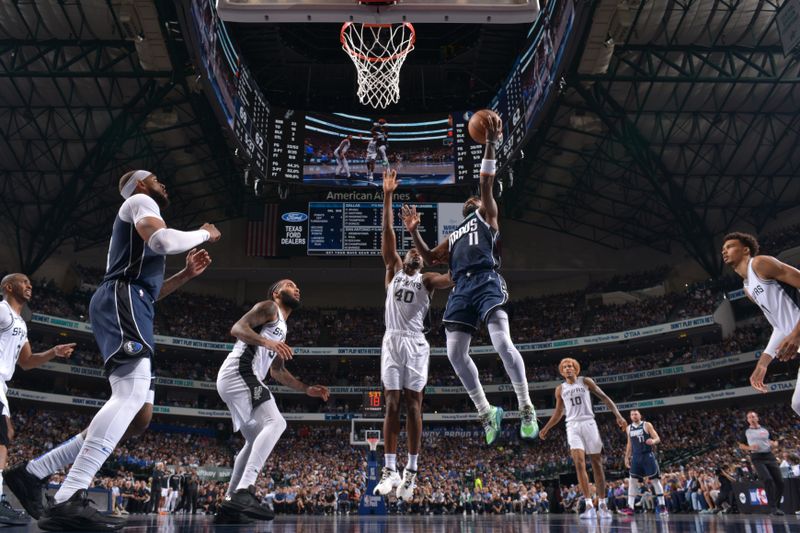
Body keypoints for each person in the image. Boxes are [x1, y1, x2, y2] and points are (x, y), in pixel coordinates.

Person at [26, 170, 221, 531]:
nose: (164, 183)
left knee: (138, 417)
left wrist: (185, 277)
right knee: (129, 395)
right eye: (157, 178)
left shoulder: (138, 226)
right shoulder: (139, 201)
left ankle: (34, 472)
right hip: (122, 299)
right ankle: (69, 495)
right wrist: (205, 232)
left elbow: (151, 291)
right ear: (141, 185)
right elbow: (162, 242)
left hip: (135, 301)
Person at [402, 114, 538, 444]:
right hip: (461, 288)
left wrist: (490, 143)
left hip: (486, 280)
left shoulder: (487, 214)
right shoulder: (456, 232)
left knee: (502, 343)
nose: (472, 200)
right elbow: (433, 257)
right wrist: (414, 231)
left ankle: (526, 407)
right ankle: (486, 411)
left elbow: (487, 183)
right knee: (453, 354)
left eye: (474, 199)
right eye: (470, 201)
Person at [215, 279, 329, 523]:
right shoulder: (269, 307)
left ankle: (228, 506)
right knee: (276, 423)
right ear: (277, 292)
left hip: (241, 378)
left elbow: (277, 371)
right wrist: (267, 342)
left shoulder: (283, 327)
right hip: (240, 371)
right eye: (290, 285)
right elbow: (237, 328)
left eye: (298, 286)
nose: (297, 288)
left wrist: (306, 389)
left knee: (254, 438)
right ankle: (245, 490)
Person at [373, 169, 452, 502]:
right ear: (403, 258)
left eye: (419, 254)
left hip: (416, 342)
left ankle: (412, 472)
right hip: (392, 340)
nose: (414, 254)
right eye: (411, 253)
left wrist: (468, 254)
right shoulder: (391, 269)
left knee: (415, 406)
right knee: (391, 404)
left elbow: (453, 277)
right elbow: (387, 231)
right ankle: (389, 469)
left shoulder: (428, 280)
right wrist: (388, 195)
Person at [0, 274, 77, 525]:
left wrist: (53, 352)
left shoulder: (21, 323)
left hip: (3, 384)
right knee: (2, 437)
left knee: (5, 436)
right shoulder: (1, 310)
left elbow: (27, 361)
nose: (29, 284)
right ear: (8, 287)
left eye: (30, 282)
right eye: (23, 281)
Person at [538, 358, 626, 520]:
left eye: (570, 366)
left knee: (597, 464)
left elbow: (604, 397)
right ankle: (589, 505)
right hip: (572, 426)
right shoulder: (560, 389)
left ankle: (602, 504)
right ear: (561, 371)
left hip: (588, 423)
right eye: (565, 367)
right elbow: (558, 413)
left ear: (576, 369)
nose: (568, 368)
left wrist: (618, 415)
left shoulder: (585, 381)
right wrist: (546, 428)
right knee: (579, 463)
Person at [721, 232, 800, 403]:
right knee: (798, 404)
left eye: (730, 246)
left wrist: (796, 333)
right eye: (723, 249)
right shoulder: (748, 288)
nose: (724, 251)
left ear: (745, 250)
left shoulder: (760, 263)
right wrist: (763, 362)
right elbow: (779, 326)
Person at [738, 411, 784, 515]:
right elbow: (741, 445)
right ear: (747, 420)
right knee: (768, 479)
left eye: (753, 416)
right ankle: (772, 508)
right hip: (757, 458)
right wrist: (749, 447)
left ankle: (776, 506)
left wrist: (774, 444)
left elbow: (774, 441)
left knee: (780, 482)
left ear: (757, 418)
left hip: (769, 456)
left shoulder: (765, 429)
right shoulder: (746, 431)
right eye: (749, 417)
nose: (752, 418)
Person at [624, 409, 667, 515]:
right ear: (630, 417)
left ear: (640, 415)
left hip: (647, 456)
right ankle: (630, 507)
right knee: (632, 481)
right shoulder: (628, 428)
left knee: (655, 481)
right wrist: (626, 457)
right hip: (636, 457)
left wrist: (653, 441)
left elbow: (657, 438)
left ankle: (662, 506)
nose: (634, 416)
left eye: (636, 414)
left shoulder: (646, 425)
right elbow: (629, 444)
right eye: (632, 414)